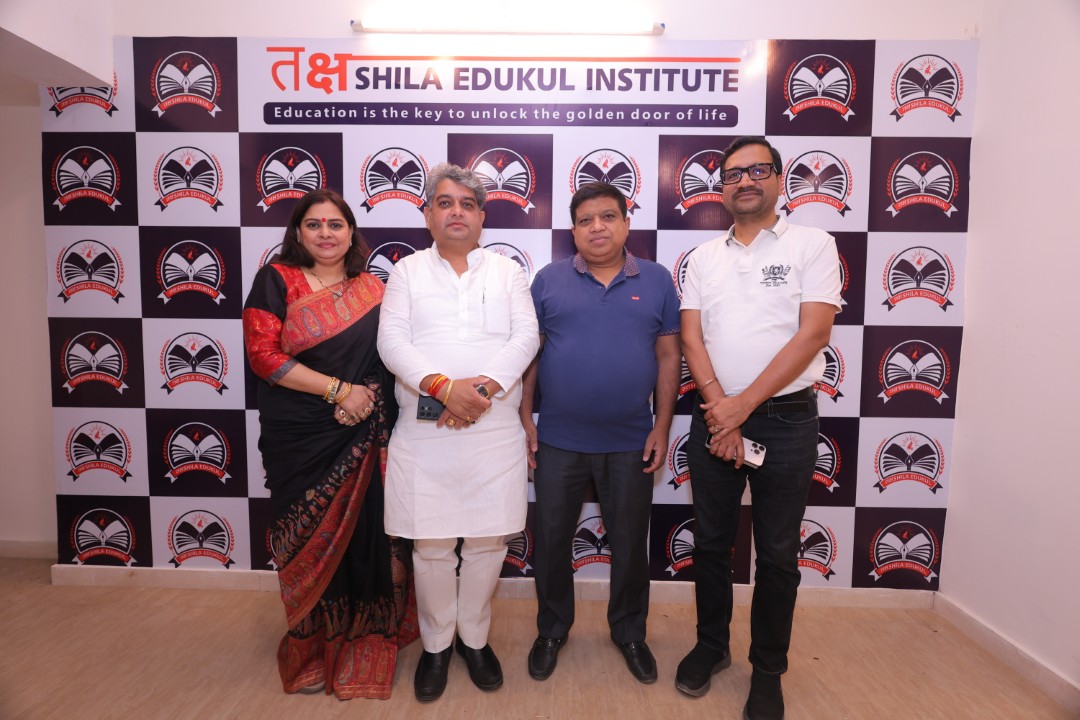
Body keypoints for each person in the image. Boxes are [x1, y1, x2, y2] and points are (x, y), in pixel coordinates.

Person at [677, 136, 841, 720]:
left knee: (776, 554)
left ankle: (768, 671)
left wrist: (740, 407)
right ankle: (711, 647)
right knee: (711, 543)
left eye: (757, 170)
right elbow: (691, 337)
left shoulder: (813, 244)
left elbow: (814, 333)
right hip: (714, 416)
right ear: (721, 187)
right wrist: (721, 408)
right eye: (733, 174)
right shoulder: (703, 257)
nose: (744, 180)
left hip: (786, 421)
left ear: (777, 177)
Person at [242, 188, 419, 700]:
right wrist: (338, 391)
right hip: (298, 436)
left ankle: (365, 639)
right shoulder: (277, 280)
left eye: (335, 224)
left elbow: (389, 358)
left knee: (369, 537)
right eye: (314, 224)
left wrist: (363, 399)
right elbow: (262, 355)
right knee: (303, 539)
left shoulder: (373, 289)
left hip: (365, 428)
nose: (325, 233)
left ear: (351, 232)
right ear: (298, 232)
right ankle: (311, 646)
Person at [376, 163, 540, 702]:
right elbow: (392, 343)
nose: (456, 212)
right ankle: (437, 645)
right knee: (432, 546)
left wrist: (479, 392)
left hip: (493, 431)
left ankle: (474, 638)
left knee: (489, 541)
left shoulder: (507, 272)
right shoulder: (406, 272)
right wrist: (445, 388)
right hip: (427, 433)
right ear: (427, 214)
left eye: (467, 204)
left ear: (482, 217)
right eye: (444, 203)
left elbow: (526, 337)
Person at [520, 182, 680, 684]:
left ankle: (629, 632)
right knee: (551, 542)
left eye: (608, 216)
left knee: (630, 544)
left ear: (626, 223)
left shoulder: (656, 280)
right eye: (585, 219)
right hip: (559, 439)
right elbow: (529, 354)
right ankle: (552, 630)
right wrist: (524, 417)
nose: (597, 227)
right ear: (573, 230)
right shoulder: (548, 280)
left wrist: (662, 425)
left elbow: (669, 355)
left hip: (631, 440)